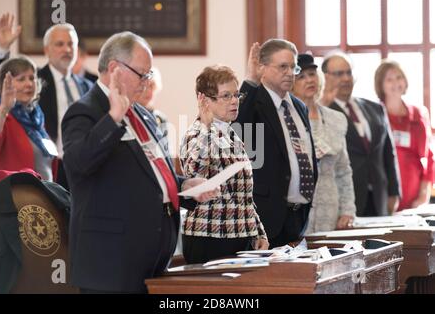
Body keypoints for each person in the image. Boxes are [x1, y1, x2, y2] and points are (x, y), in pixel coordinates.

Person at [61, 31, 218, 293]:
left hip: (151, 262)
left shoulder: (143, 114)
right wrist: (113, 118)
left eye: (148, 75)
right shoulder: (84, 111)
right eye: (141, 74)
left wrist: (185, 186)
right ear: (114, 69)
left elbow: (150, 174)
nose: (146, 82)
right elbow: (78, 166)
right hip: (111, 264)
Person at [0, 13, 93, 188]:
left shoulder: (88, 86)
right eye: (60, 44)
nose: (67, 49)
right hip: (23, 189)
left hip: (77, 171)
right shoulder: (34, 80)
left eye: (71, 44)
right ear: (46, 50)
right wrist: (3, 49)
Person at [180, 65, 269, 264]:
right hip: (209, 238)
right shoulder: (195, 133)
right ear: (205, 100)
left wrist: (258, 233)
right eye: (226, 96)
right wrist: (206, 126)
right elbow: (195, 176)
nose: (234, 101)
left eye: (236, 95)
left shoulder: (231, 135)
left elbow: (243, 196)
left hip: (239, 237)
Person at [235, 40, 318, 248]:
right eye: (283, 67)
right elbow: (235, 130)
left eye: (293, 67)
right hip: (266, 217)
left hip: (298, 217)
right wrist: (251, 81)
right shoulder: (254, 102)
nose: (290, 73)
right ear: (262, 68)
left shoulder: (298, 107)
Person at [321, 51, 401, 216]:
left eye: (348, 72)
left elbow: (388, 154)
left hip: (379, 198)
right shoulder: (322, 111)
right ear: (325, 77)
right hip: (345, 202)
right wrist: (323, 103)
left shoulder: (375, 108)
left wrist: (394, 192)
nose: (345, 78)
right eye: (338, 73)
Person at [291, 54, 356, 233]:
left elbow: (343, 170)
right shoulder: (287, 119)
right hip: (299, 211)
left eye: (312, 74)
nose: (309, 80)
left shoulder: (336, 118)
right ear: (291, 84)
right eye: (301, 76)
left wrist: (348, 210)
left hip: (331, 210)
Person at [374, 60, 434, 211]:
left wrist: (423, 195)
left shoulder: (419, 115)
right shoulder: (374, 115)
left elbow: (428, 157)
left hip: (414, 200)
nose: (395, 82)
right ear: (380, 85)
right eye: (389, 79)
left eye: (399, 77)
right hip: (383, 199)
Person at [0, 56, 56, 182]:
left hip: (42, 198)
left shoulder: (36, 119)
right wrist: (4, 108)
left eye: (32, 78)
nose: (28, 84)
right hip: (9, 197)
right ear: (5, 84)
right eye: (21, 79)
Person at [137, 67, 169, 139]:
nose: (148, 91)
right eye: (145, 86)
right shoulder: (131, 115)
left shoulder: (160, 118)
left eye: (151, 86)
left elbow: (165, 146)